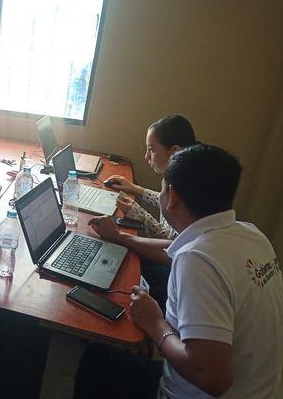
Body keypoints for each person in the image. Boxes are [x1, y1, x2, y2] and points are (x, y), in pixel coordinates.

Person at [74, 144, 283, 399]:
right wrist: (120, 237)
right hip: (263, 390)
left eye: (162, 188)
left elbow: (214, 379)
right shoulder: (250, 234)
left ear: (171, 197)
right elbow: (172, 250)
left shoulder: (197, 260)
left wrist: (155, 324)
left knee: (97, 360)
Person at [105, 114, 196, 239]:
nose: (146, 156)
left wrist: (139, 214)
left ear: (175, 152)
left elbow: (172, 242)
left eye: (151, 149)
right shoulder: (180, 175)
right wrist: (134, 188)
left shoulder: (189, 188)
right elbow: (165, 200)